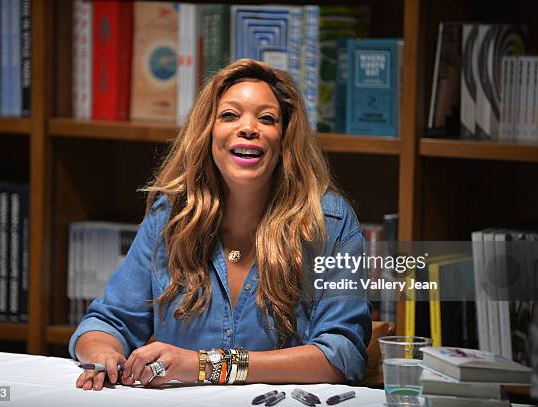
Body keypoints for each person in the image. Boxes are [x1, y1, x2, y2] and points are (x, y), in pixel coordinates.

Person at [70, 59, 371, 391]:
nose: (248, 128)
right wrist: (104, 355)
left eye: (267, 119)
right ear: (208, 133)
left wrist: (207, 366)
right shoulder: (170, 216)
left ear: (284, 138)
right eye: (229, 115)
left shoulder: (330, 223)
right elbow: (106, 322)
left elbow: (341, 355)